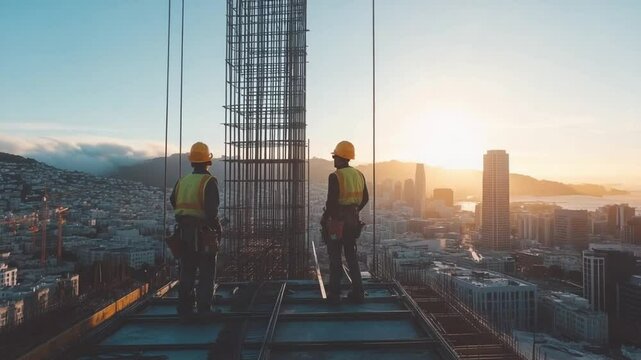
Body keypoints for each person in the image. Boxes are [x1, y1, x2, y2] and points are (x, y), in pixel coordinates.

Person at [170, 141, 221, 316]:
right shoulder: (209, 181)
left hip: (184, 233)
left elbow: (173, 200)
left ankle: (184, 309)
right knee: (206, 271)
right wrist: (217, 229)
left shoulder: (182, 181)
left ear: (191, 161)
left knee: (187, 270)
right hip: (203, 233)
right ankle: (204, 309)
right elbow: (211, 212)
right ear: (208, 161)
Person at [321, 140, 369, 305]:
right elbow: (366, 198)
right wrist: (354, 211)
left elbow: (331, 202)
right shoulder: (359, 175)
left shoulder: (335, 176)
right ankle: (358, 293)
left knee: (335, 257)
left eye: (335, 156)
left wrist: (326, 219)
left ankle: (334, 295)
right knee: (351, 257)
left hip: (338, 222)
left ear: (341, 158)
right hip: (353, 221)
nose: (334, 159)